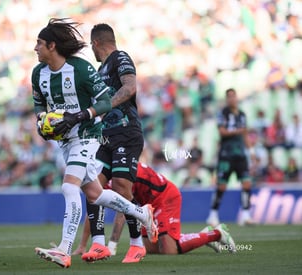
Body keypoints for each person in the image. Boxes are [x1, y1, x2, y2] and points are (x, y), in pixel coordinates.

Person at [32, 18, 157, 269]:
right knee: (95, 193)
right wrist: (41, 123)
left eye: (39, 43)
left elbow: (108, 99)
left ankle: (65, 250)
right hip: (73, 140)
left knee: (70, 187)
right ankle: (141, 214)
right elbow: (39, 104)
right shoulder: (39, 74)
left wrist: (81, 115)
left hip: (92, 134)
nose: (35, 48)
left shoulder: (85, 68)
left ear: (52, 45)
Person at [82, 23, 148, 264]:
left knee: (121, 187)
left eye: (92, 46)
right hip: (105, 136)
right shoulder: (99, 70)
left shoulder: (120, 57)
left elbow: (130, 87)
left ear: (96, 43)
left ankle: (137, 245)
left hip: (126, 132)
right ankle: (98, 244)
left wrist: (106, 105)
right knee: (91, 185)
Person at [73, 162, 236, 256]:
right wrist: (82, 245)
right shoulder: (105, 176)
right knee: (151, 249)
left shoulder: (113, 177)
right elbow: (93, 212)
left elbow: (122, 212)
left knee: (169, 251)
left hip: (165, 197)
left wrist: (112, 246)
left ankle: (216, 234)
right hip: (147, 205)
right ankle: (203, 234)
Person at [206, 88, 254, 227]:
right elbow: (222, 132)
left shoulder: (242, 115)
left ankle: (245, 214)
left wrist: (252, 152)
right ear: (227, 99)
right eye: (229, 97)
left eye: (234, 96)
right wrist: (237, 131)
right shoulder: (223, 113)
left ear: (237, 97)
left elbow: (245, 135)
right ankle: (212, 214)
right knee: (222, 186)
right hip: (226, 155)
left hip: (241, 155)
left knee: (247, 183)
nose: (232, 99)